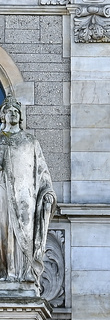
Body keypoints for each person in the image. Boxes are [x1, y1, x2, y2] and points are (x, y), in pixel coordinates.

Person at [0, 100, 55, 287]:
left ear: (20, 116)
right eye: (8, 111)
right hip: (2, 191)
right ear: (3, 115)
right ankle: (6, 272)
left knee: (25, 231)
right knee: (4, 230)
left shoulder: (30, 141)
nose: (13, 113)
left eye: (16, 110)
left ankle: (26, 272)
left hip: (25, 196)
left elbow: (42, 171)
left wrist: (47, 191)